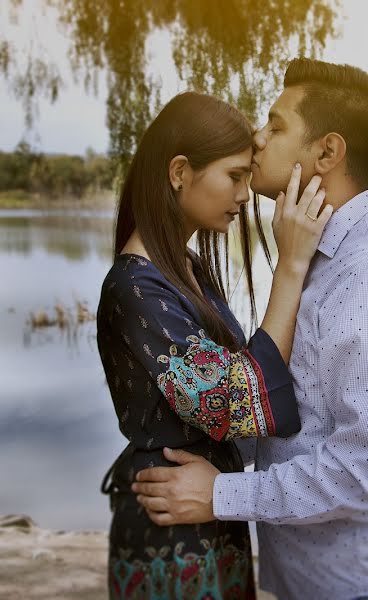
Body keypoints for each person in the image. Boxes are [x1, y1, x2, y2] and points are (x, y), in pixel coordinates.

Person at [133, 59, 368, 600]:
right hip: (317, 581)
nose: (257, 138)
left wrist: (222, 494)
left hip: (365, 585)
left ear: (327, 153)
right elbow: (301, 418)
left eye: (276, 126)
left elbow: (366, 469)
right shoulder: (322, 251)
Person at [95, 90, 332, 598]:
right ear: (180, 171)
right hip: (170, 529)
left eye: (248, 175)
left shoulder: (184, 268)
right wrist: (290, 267)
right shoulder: (134, 288)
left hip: (204, 511)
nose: (245, 195)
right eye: (234, 176)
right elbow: (232, 400)